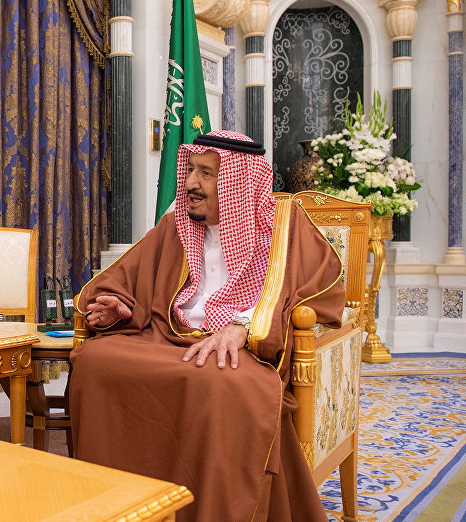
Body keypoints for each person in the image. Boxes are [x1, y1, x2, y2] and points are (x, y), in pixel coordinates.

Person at [71, 130, 343, 521]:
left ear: (237, 180)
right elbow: (128, 279)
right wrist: (122, 308)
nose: (190, 184)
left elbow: (317, 291)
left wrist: (243, 326)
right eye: (190, 170)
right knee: (95, 361)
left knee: (220, 384)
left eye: (206, 173)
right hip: (169, 335)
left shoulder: (284, 226)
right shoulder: (177, 225)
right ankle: (117, 506)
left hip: (243, 348)